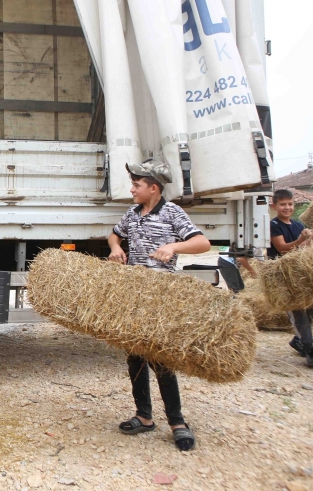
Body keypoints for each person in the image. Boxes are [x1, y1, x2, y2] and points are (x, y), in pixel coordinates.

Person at [107, 159, 211, 452]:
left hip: (160, 298)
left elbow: (203, 243)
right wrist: (116, 248)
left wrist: (174, 247)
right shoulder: (132, 213)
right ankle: (144, 416)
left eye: (137, 186)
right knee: (135, 358)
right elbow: (114, 234)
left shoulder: (172, 212)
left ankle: (177, 423)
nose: (132, 190)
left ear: (153, 188)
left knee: (161, 359)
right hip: (135, 295)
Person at [268, 188, 313, 368]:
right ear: (274, 206)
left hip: (299, 275)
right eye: (283, 204)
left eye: (290, 204)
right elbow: (283, 249)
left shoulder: (298, 225)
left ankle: (298, 340)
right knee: (298, 310)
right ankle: (309, 349)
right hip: (284, 276)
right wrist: (301, 239)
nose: (287, 208)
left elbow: (304, 248)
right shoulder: (274, 225)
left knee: (311, 309)